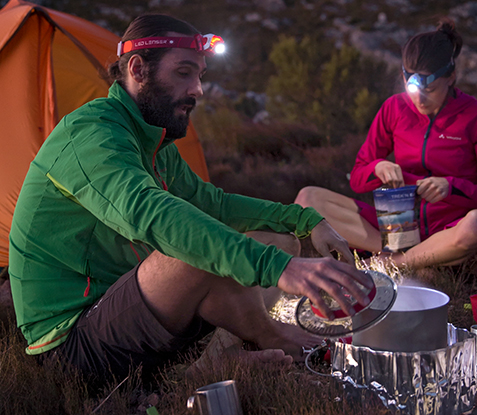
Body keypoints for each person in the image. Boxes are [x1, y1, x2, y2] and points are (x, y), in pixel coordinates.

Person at [8, 13, 373, 383]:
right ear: (137, 69)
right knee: (189, 248)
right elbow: (151, 214)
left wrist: (305, 220)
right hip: (73, 345)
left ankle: (218, 360)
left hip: (129, 311)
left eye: (200, 76)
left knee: (278, 239)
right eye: (184, 73)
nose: (198, 89)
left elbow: (213, 204)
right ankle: (241, 351)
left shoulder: (152, 139)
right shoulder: (91, 135)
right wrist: (279, 269)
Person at [295, 18, 477, 270]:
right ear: (403, 76)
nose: (420, 100)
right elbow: (357, 178)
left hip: (449, 228)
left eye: (430, 90)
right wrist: (377, 168)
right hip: (395, 226)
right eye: (412, 90)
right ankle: (403, 261)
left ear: (451, 76)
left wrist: (451, 187)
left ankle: (390, 264)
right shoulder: (394, 108)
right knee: (307, 199)